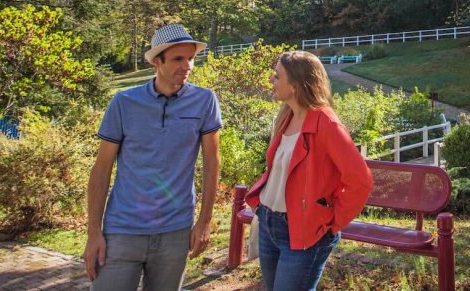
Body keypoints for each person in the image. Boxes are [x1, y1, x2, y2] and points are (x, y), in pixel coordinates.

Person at [84, 24, 222, 291]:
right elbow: (101, 169)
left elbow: (212, 163)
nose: (187, 66)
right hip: (122, 229)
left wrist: (204, 222)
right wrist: (93, 233)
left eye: (191, 58)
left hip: (175, 230)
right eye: (178, 59)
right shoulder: (123, 103)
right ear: (157, 62)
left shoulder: (205, 101)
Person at [245, 51, 372, 291]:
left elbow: (360, 180)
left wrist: (331, 222)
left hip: (305, 230)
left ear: (294, 84)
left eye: (277, 76)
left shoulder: (326, 123)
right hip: (268, 223)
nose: (271, 80)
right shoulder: (285, 116)